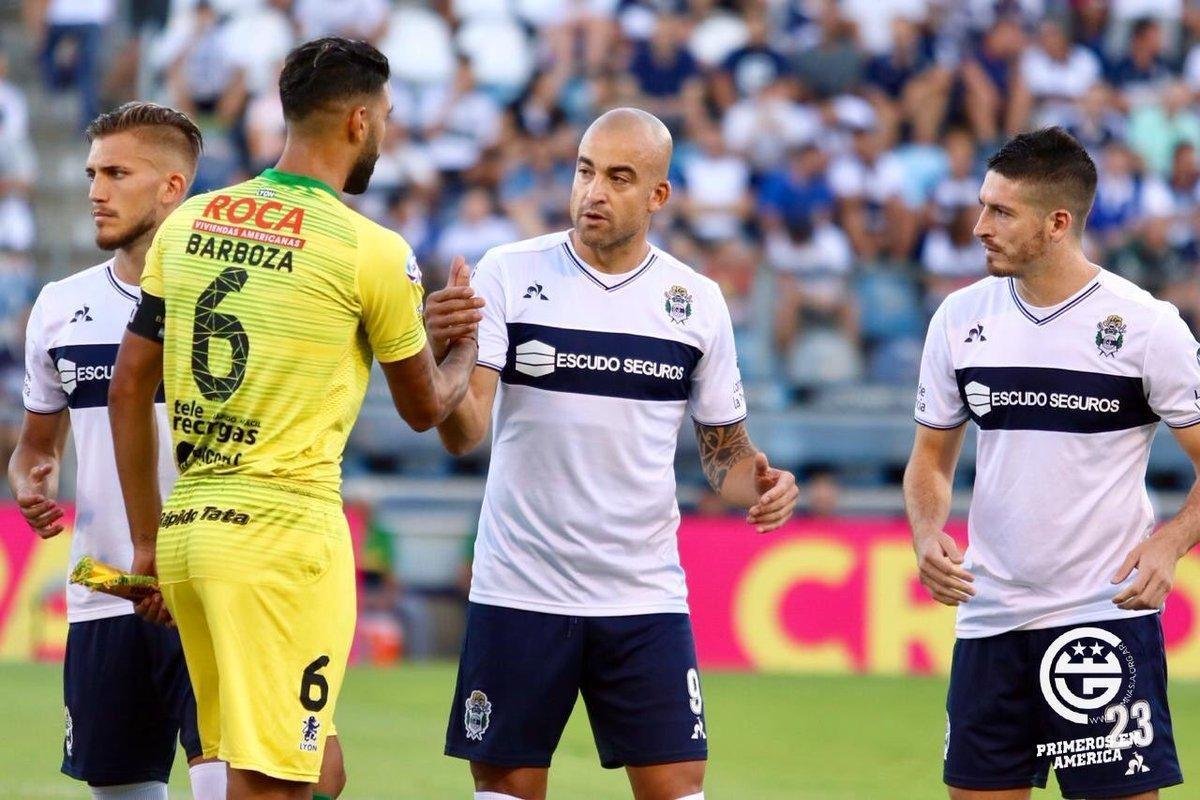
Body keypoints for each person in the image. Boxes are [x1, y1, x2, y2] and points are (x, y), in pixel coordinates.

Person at [108, 38, 478, 800]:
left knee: (312, 766)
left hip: (191, 529)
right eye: (385, 118)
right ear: (357, 122)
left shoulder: (191, 222)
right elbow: (425, 410)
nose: (385, 133)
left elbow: (127, 388)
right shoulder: (369, 249)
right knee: (271, 781)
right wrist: (464, 345)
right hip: (283, 535)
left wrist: (147, 539)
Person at [428, 107, 799, 800]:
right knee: (506, 787)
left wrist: (764, 485)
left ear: (658, 195)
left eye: (619, 178)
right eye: (585, 171)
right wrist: (442, 358)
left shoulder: (696, 302)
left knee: (679, 787)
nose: (593, 192)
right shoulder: (509, 272)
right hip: (521, 586)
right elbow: (464, 430)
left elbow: (724, 455)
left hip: (642, 591)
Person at [905, 127, 1200, 800]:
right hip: (990, 617)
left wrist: (1171, 542)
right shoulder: (959, 317)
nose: (979, 226)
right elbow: (930, 459)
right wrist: (925, 531)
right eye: (983, 205)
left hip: (1103, 617)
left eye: (1001, 212)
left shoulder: (1146, 326)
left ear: (1058, 223)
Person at [9, 101, 227, 800]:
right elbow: (36, 445)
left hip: (214, 589)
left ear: (171, 187)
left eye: (116, 174)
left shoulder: (233, 301)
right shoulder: (59, 305)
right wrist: (32, 480)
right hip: (109, 590)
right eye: (91, 174)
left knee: (231, 786)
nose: (96, 192)